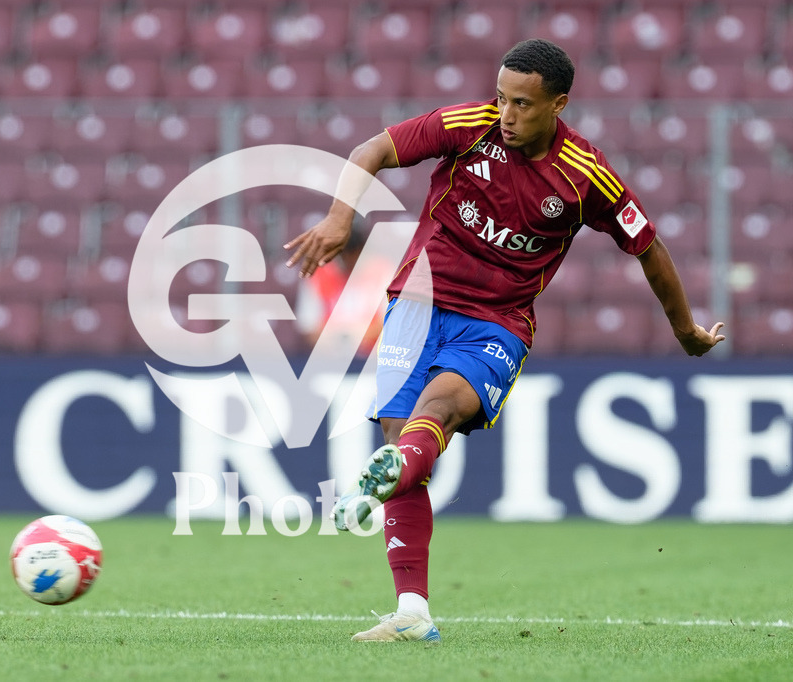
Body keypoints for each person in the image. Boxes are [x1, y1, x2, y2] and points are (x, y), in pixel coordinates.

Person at [284, 39, 725, 643]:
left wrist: (685, 331)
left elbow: (647, 246)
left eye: (522, 104)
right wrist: (339, 219)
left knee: (435, 410)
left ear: (558, 104)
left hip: (496, 322)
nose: (506, 114)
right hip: (416, 303)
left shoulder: (584, 175)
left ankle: (385, 489)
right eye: (501, 98)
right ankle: (412, 610)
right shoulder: (470, 127)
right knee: (402, 438)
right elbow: (373, 149)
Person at [294, 227, 385, 358]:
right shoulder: (317, 275)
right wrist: (340, 341)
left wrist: (354, 337)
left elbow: (388, 323)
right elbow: (309, 328)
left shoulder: (381, 271)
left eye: (354, 255)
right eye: (343, 256)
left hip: (372, 359)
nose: (349, 261)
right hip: (329, 358)